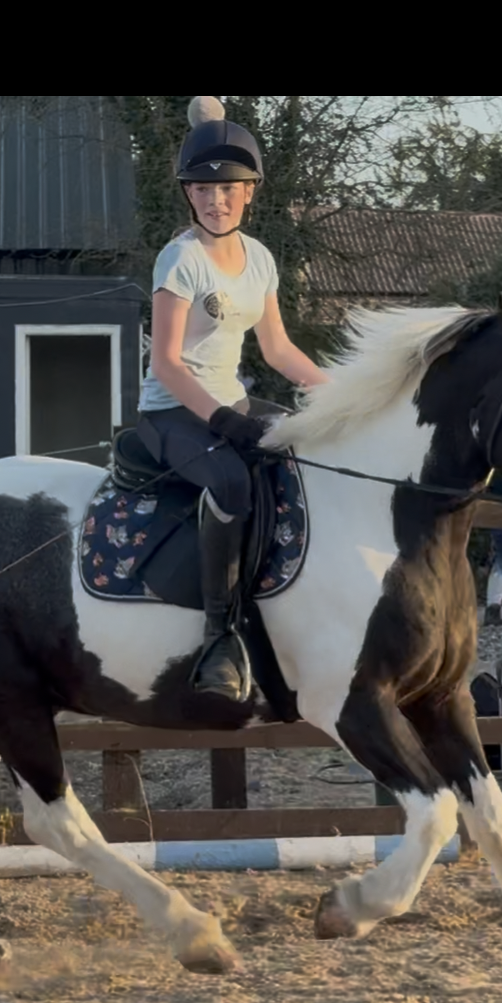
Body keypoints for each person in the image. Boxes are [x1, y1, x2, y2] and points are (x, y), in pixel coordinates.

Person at [136, 97, 331, 697]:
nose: (216, 200)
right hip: (174, 412)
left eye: (229, 190)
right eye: (202, 189)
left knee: (305, 450)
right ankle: (219, 637)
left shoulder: (262, 260)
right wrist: (222, 416)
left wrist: (343, 394)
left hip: (232, 404)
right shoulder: (181, 259)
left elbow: (277, 350)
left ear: (250, 192)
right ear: (188, 194)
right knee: (230, 484)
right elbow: (165, 364)